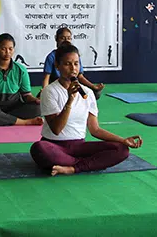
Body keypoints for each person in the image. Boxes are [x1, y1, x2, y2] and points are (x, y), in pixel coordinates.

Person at [31, 44, 143, 176]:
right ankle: (87, 164)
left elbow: (95, 130)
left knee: (121, 150)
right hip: (54, 146)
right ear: (57, 65)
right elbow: (56, 129)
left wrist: (122, 140)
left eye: (76, 64)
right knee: (39, 149)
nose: (73, 69)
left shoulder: (88, 93)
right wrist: (70, 100)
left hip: (79, 146)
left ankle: (72, 168)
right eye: (67, 64)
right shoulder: (49, 91)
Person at [0, 33, 42, 126]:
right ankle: (24, 122)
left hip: (15, 107)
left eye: (10, 49)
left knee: (38, 108)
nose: (7, 52)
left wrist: (36, 100)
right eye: (3, 49)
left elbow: (26, 95)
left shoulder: (21, 70)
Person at [41, 26, 105, 99]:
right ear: (56, 39)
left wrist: (93, 86)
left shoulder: (75, 54)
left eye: (68, 38)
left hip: (72, 84)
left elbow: (80, 76)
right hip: (57, 85)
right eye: (62, 38)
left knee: (95, 94)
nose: (66, 40)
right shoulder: (51, 56)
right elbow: (46, 77)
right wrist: (45, 92)